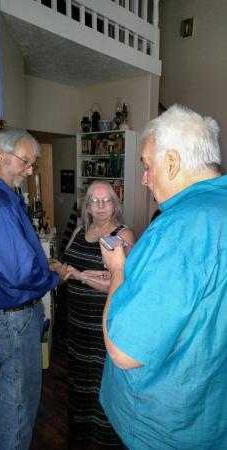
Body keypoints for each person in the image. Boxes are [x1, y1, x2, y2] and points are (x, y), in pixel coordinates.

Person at [99, 104, 227, 449]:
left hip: (165, 426)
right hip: (211, 416)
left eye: (145, 164)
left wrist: (117, 271)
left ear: (171, 162)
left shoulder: (177, 230)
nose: (143, 177)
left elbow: (125, 351)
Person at [0, 129, 61, 450]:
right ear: (1, 156)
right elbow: (21, 272)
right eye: (25, 163)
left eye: (32, 164)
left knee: (5, 401)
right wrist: (55, 276)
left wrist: (42, 265)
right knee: (19, 406)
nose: (29, 171)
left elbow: (8, 259)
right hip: (12, 322)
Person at [50, 180, 136, 449]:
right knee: (80, 375)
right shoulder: (80, 230)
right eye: (94, 201)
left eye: (106, 200)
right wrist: (61, 269)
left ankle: (105, 438)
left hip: (103, 322)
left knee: (102, 378)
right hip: (76, 321)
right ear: (85, 205)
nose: (100, 206)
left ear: (115, 203)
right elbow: (72, 269)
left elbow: (122, 282)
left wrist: (82, 277)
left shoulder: (120, 235)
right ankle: (81, 430)